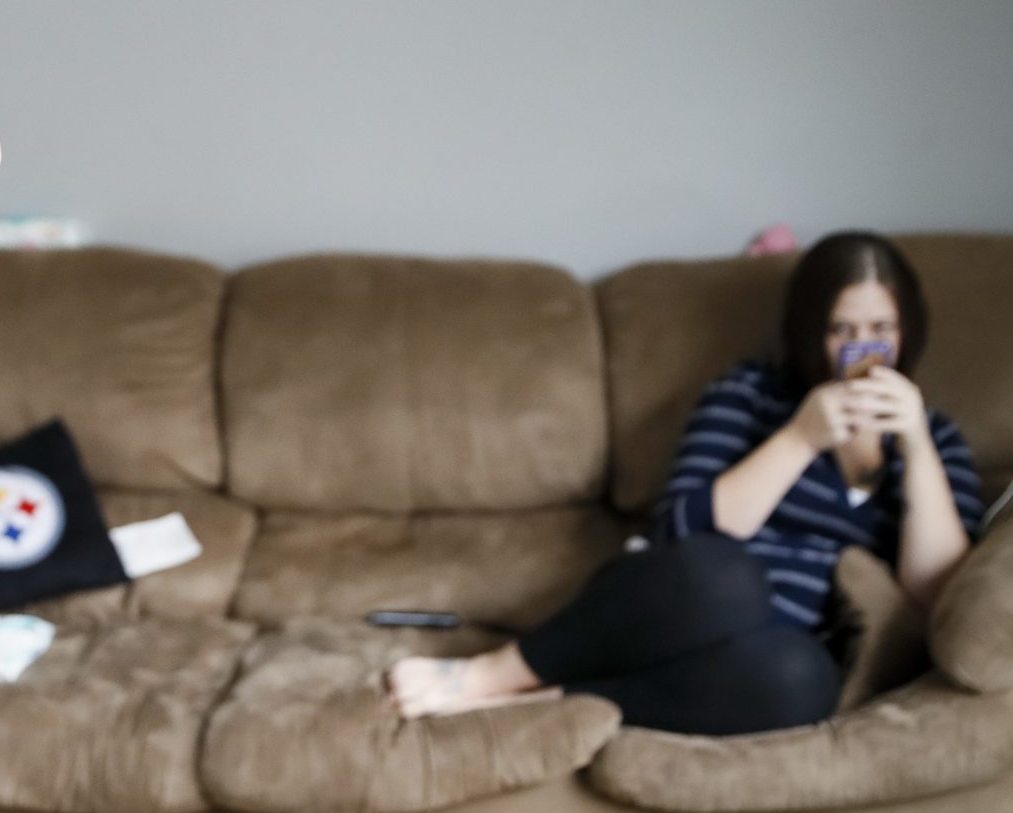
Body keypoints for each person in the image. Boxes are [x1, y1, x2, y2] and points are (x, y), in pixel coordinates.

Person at [386, 231, 985, 735]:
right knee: (725, 577)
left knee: (799, 678)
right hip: (679, 605)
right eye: (841, 330)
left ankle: (541, 706)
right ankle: (491, 675)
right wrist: (799, 439)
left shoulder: (933, 439)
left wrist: (915, 445)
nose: (862, 350)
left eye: (881, 328)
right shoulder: (751, 395)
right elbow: (684, 529)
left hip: (778, 647)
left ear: (908, 332)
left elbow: (937, 597)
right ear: (811, 332)